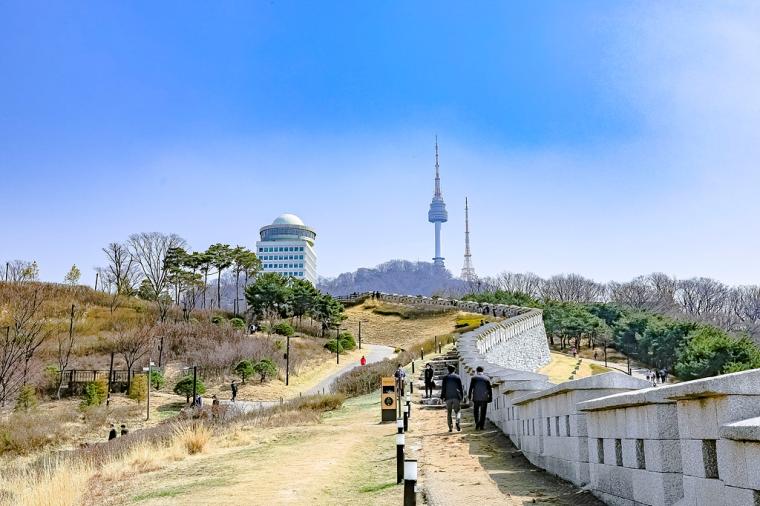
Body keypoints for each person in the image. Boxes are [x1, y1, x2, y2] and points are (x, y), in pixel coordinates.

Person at [468, 366, 493, 430]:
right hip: (484, 398)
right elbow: (489, 389)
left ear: (476, 371)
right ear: (483, 371)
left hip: (476, 397)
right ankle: (482, 426)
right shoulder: (487, 378)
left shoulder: (474, 378)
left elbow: (471, 388)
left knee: (476, 412)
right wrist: (490, 397)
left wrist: (469, 396)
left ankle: (477, 424)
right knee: (483, 412)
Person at [440, 364, 464, 432]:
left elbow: (443, 388)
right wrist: (461, 397)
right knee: (458, 411)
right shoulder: (457, 377)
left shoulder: (445, 378)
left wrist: (441, 397)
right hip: (456, 396)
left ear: (448, 370)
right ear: (455, 370)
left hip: (448, 397)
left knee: (449, 412)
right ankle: (457, 422)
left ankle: (450, 428)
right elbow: (460, 388)